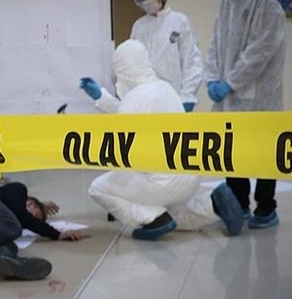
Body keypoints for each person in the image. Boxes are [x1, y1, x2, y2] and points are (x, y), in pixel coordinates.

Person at [79, 40, 246, 239]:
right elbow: (132, 112)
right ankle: (214, 205)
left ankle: (152, 220)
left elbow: (121, 138)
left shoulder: (134, 99)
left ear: (123, 71)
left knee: (99, 188)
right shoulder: (166, 89)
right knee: (176, 215)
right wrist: (101, 97)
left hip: (161, 183)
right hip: (189, 177)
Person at [205, 0, 286, 230]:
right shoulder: (226, 1)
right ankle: (239, 204)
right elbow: (216, 42)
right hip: (229, 95)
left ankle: (266, 207)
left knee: (263, 150)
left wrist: (231, 81)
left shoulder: (264, 1)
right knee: (233, 150)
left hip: (258, 95)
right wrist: (212, 77)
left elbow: (259, 51)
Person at [130, 0, 203, 112]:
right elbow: (132, 63)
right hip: (144, 101)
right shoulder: (139, 26)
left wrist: (187, 96)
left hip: (174, 98)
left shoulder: (179, 21)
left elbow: (192, 61)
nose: (146, 1)